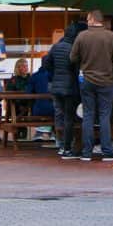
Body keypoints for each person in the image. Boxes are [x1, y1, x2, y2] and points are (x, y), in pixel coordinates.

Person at [69, 9, 113, 163]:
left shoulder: (82, 36)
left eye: (87, 19)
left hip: (87, 80)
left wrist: (84, 62)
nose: (86, 21)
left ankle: (86, 152)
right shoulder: (112, 37)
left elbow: (72, 57)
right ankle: (107, 151)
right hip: (106, 81)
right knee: (105, 116)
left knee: (88, 115)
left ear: (92, 19)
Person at [43, 22, 84, 157]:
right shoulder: (73, 49)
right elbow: (76, 68)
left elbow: (46, 63)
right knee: (69, 118)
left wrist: (55, 73)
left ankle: (60, 144)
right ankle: (67, 147)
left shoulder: (55, 47)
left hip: (56, 87)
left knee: (59, 116)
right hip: (69, 87)